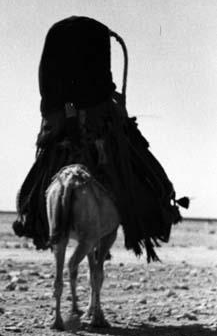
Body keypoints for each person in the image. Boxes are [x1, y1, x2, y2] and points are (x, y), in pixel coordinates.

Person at [13, 16, 188, 261]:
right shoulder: (93, 92)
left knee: (41, 176)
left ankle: (33, 220)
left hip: (69, 119)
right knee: (141, 167)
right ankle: (157, 212)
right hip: (95, 121)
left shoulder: (60, 61)